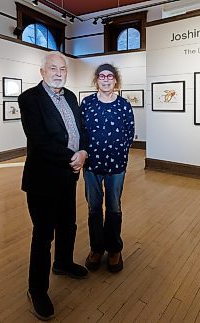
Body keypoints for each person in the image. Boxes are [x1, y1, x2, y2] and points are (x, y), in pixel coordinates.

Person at [19, 51, 89, 321]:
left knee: (68, 224)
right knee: (43, 234)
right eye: (53, 68)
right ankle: (36, 289)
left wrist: (83, 153)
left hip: (68, 176)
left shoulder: (71, 96)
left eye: (63, 69)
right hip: (43, 179)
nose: (58, 73)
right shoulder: (30, 99)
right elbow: (39, 140)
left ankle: (63, 263)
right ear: (42, 72)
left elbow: (80, 129)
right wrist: (73, 157)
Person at [80, 63, 135, 273]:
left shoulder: (123, 105)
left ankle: (114, 249)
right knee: (94, 209)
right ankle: (96, 248)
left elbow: (129, 132)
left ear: (115, 80)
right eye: (101, 76)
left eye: (109, 76)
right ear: (96, 80)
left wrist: (121, 154)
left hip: (116, 166)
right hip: (92, 165)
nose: (105, 79)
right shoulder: (87, 104)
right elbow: (81, 131)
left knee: (113, 208)